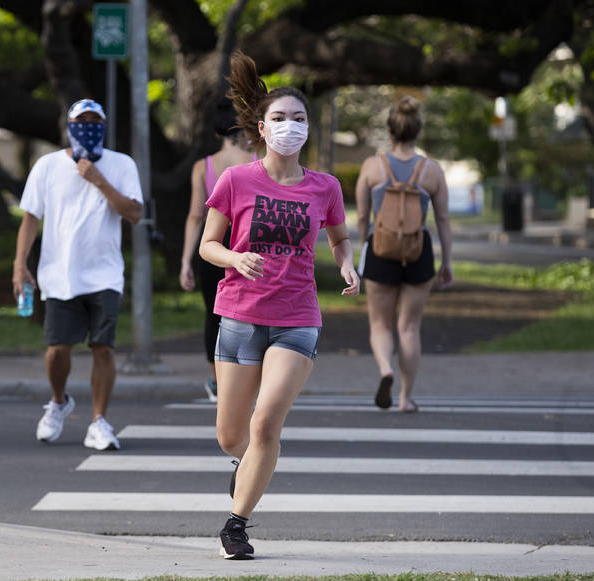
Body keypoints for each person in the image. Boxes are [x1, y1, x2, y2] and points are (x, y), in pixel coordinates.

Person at [199, 52, 359, 560]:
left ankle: (236, 525)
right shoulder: (236, 181)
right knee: (232, 438)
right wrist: (234, 256)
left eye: (299, 118)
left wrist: (348, 264)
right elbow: (207, 245)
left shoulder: (325, 186)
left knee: (267, 422)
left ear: (307, 129)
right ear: (261, 129)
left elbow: (337, 238)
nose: (290, 126)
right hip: (241, 316)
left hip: (297, 318)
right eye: (280, 118)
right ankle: (242, 467)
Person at [12, 98, 143, 451]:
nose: (89, 126)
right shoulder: (47, 166)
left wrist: (98, 180)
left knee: (104, 349)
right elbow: (30, 218)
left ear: (104, 125)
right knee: (57, 350)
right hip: (59, 275)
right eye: (81, 120)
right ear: (68, 125)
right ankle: (58, 402)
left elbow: (133, 212)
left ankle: (99, 421)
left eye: (95, 121)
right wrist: (19, 264)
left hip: (105, 274)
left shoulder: (121, 164)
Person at [355, 95, 453, 413]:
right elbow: (442, 220)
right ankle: (405, 397)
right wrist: (447, 261)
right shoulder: (432, 170)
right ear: (417, 131)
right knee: (409, 327)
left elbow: (361, 215)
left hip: (381, 250)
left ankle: (385, 368)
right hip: (418, 252)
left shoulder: (373, 166)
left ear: (391, 132)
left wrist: (364, 244)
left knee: (380, 325)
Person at [179, 99, 257, 402]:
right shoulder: (257, 162)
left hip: (213, 247)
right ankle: (248, 377)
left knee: (215, 315)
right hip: (250, 246)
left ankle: (216, 381)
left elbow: (195, 216)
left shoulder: (204, 167)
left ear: (216, 131)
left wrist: (186, 260)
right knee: (252, 313)